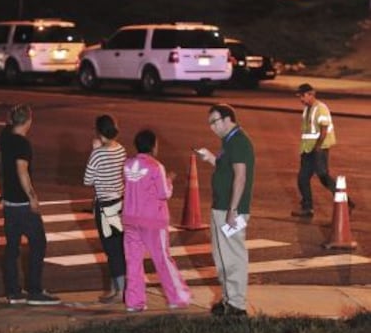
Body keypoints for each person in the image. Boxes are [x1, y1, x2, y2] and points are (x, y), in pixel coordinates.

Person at [122, 129, 191, 312]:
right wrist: (169, 181)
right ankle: (177, 297)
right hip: (153, 220)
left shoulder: (128, 165)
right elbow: (164, 194)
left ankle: (134, 302)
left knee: (133, 262)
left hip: (130, 219)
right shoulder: (155, 166)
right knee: (162, 259)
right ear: (153, 146)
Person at [196, 103, 255, 318]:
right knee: (222, 257)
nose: (212, 127)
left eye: (215, 121)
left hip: (229, 210)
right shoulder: (229, 141)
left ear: (228, 119)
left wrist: (233, 210)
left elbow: (241, 176)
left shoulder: (238, 141)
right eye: (209, 123)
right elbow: (226, 168)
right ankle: (228, 299)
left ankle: (236, 306)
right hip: (221, 207)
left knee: (232, 257)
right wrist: (211, 158)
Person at [0, 103, 61, 305]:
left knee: (12, 248)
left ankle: (13, 292)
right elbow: (22, 171)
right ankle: (34, 290)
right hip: (22, 203)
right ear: (28, 121)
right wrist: (32, 196)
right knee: (38, 243)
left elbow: (8, 124)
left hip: (8, 202)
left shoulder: (5, 136)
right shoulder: (22, 144)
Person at [291, 83, 355, 218]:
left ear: (311, 94)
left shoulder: (321, 108)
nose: (300, 99)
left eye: (302, 96)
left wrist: (318, 147)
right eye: (299, 96)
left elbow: (324, 130)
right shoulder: (307, 109)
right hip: (308, 150)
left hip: (318, 149)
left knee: (324, 177)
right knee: (302, 178)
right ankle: (308, 208)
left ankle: (347, 203)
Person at [83, 114, 127, 304]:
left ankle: (119, 292)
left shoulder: (98, 153)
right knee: (118, 247)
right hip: (120, 204)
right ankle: (114, 288)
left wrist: (95, 150)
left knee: (112, 249)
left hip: (105, 207)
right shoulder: (121, 149)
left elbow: (87, 180)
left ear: (99, 132)